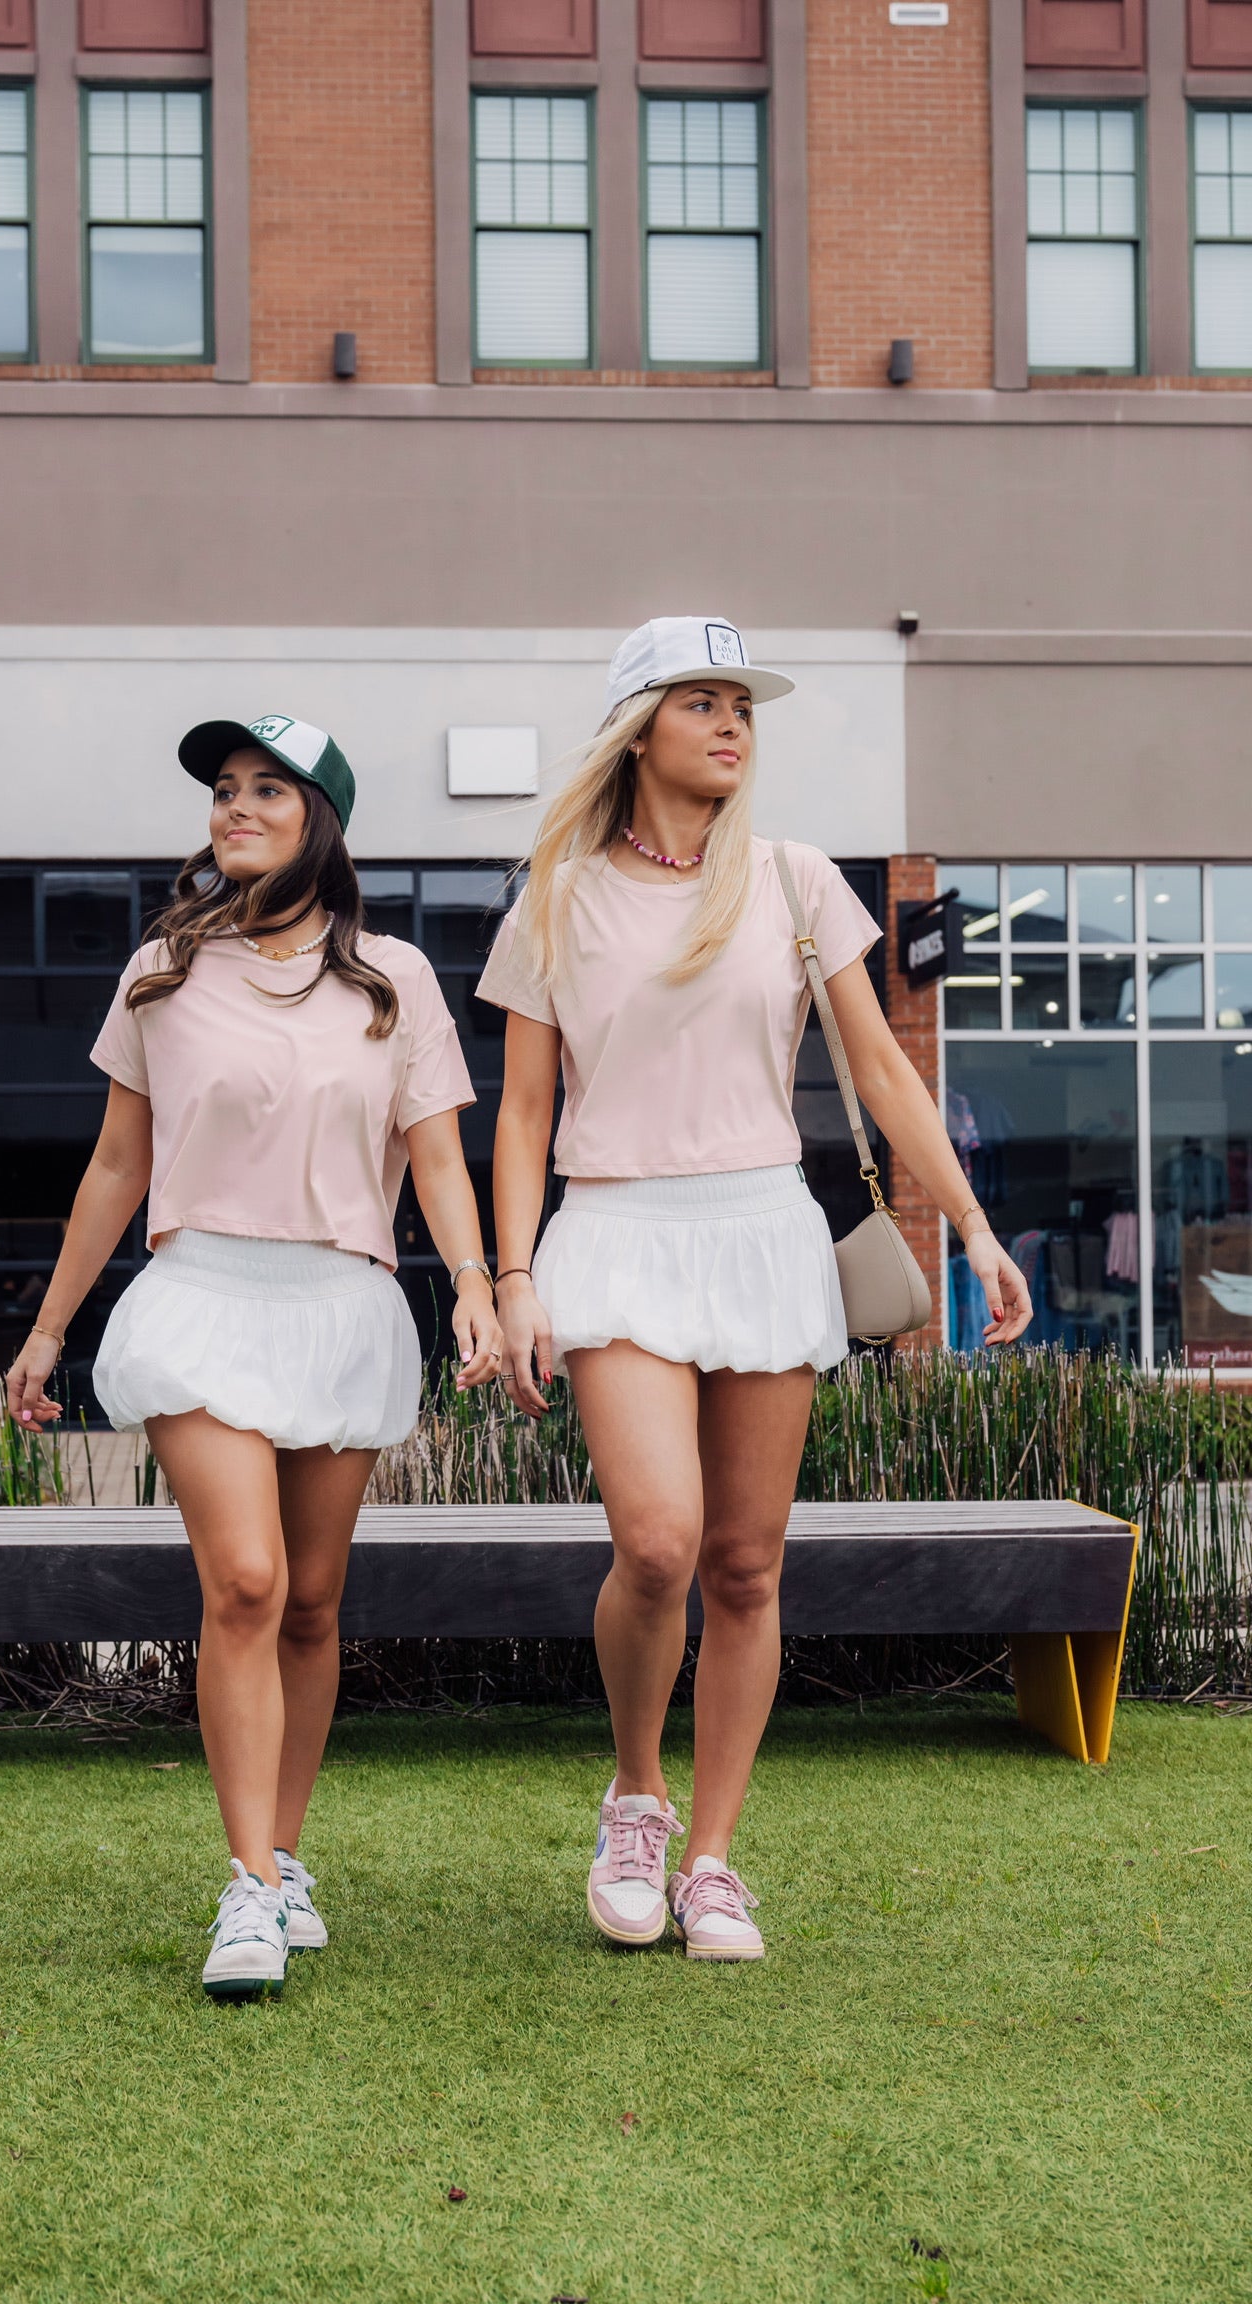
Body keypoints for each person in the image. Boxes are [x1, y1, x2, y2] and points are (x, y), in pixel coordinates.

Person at [480, 617, 1032, 1964]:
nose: (732, 724)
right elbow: (523, 1110)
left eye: (743, 705)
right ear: (641, 728)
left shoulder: (795, 882)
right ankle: (636, 1794)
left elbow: (886, 1068)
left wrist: (969, 1225)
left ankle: (716, 1857)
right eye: (703, 702)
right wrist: (507, 1277)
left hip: (760, 1233)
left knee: (744, 1562)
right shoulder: (557, 890)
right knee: (659, 1543)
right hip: (611, 1234)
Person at [7, 712, 503, 2002]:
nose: (234, 806)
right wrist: (50, 1327)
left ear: (317, 822)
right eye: (223, 789)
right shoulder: (163, 969)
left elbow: (440, 1160)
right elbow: (117, 1164)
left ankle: (284, 1862)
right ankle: (245, 1888)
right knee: (244, 1580)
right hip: (204, 1294)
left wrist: (478, 1294)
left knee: (315, 1599)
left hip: (344, 1300)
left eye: (264, 788)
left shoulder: (394, 980)